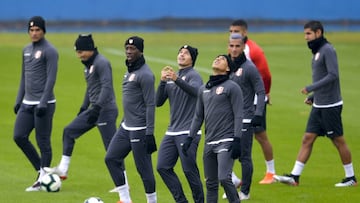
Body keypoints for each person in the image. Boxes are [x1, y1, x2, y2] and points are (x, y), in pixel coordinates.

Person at [274, 20, 357, 187]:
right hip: (319, 104)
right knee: (307, 138)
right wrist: (313, 96)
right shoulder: (318, 51)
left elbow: (333, 75)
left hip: (330, 105)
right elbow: (323, 77)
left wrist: (311, 88)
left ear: (318, 33)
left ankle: (351, 178)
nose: (306, 38)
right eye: (305, 34)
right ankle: (294, 177)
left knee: (338, 140)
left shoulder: (328, 50)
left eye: (308, 34)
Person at [45, 34, 128, 184]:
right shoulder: (88, 65)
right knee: (69, 131)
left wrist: (96, 108)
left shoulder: (102, 63)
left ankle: (124, 184)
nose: (78, 55)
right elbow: (91, 88)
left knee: (112, 150)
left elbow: (106, 87)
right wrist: (84, 106)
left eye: (80, 52)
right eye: (77, 52)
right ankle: (63, 169)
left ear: (89, 49)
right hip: (94, 110)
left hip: (105, 111)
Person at [182, 54, 243, 203]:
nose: (217, 59)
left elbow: (239, 115)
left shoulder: (232, 87)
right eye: (215, 57)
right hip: (209, 143)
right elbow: (198, 116)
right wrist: (189, 137)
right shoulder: (204, 89)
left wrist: (237, 139)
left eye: (222, 59)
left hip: (227, 141)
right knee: (210, 184)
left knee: (224, 178)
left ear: (228, 68)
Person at [105, 36, 157, 203]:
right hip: (126, 126)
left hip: (140, 130)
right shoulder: (130, 70)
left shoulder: (146, 75)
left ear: (140, 51)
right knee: (111, 158)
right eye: (127, 48)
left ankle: (152, 201)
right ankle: (125, 199)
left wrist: (149, 133)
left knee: (143, 169)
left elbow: (150, 104)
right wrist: (123, 121)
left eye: (132, 49)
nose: (128, 51)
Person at [13, 16, 58, 192]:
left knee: (43, 141)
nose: (34, 33)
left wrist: (43, 102)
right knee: (19, 136)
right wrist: (18, 100)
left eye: (37, 30)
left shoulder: (50, 51)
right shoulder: (25, 50)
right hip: (27, 103)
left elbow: (51, 78)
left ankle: (42, 181)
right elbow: (24, 77)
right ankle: (43, 172)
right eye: (31, 30)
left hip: (43, 105)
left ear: (43, 31)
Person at [156, 45, 204, 203]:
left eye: (186, 53)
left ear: (192, 59)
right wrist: (163, 81)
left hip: (188, 132)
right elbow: (158, 102)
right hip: (172, 132)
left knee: (189, 170)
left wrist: (176, 79)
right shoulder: (172, 78)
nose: (182, 55)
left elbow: (197, 92)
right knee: (162, 167)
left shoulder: (193, 75)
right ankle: (181, 201)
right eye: (180, 52)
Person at [229, 19, 275, 184]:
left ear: (245, 33)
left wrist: (265, 94)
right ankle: (232, 177)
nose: (233, 33)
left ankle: (271, 172)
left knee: (261, 136)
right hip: (238, 105)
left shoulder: (254, 51)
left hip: (255, 102)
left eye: (237, 30)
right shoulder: (233, 50)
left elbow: (265, 75)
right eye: (231, 31)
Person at [223, 33, 266, 200]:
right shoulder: (225, 65)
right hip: (227, 119)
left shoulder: (249, 68)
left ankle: (245, 192)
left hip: (245, 119)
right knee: (224, 153)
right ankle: (231, 184)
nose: (234, 49)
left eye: (237, 46)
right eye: (231, 46)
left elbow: (261, 92)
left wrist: (258, 114)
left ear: (243, 47)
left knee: (244, 156)